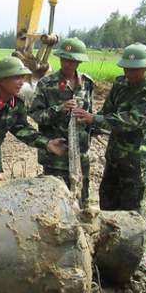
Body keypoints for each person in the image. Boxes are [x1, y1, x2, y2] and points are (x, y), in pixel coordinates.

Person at [75, 42, 146, 212]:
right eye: (126, 68)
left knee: (129, 209)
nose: (129, 73)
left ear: (145, 67)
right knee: (107, 202)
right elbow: (107, 109)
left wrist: (94, 119)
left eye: (134, 69)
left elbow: (129, 121)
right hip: (114, 156)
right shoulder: (120, 84)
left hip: (134, 160)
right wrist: (90, 125)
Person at [29, 38, 94, 205]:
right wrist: (59, 109)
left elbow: (90, 115)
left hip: (80, 155)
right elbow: (35, 113)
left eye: (72, 61)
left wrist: (88, 119)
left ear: (79, 61)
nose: (67, 64)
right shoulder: (46, 84)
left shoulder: (87, 84)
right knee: (56, 203)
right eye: (64, 59)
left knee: (81, 199)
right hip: (56, 155)